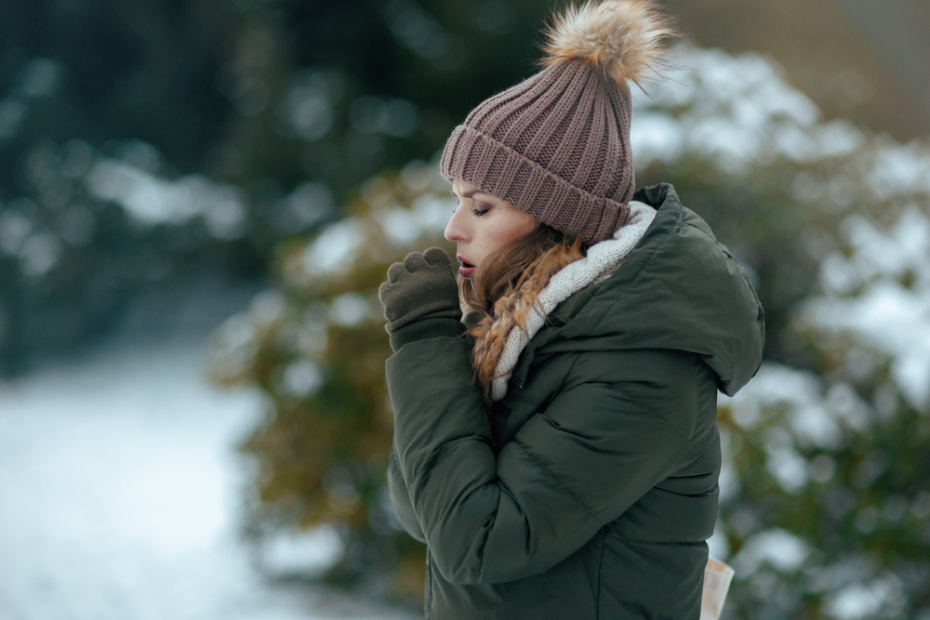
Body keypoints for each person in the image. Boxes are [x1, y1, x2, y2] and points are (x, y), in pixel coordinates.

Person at [377, 0, 764, 618]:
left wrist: (427, 347)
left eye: (481, 207)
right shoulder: (518, 334)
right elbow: (422, 508)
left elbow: (476, 542)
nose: (453, 229)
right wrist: (448, 352)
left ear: (556, 217)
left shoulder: (643, 365)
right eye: (457, 201)